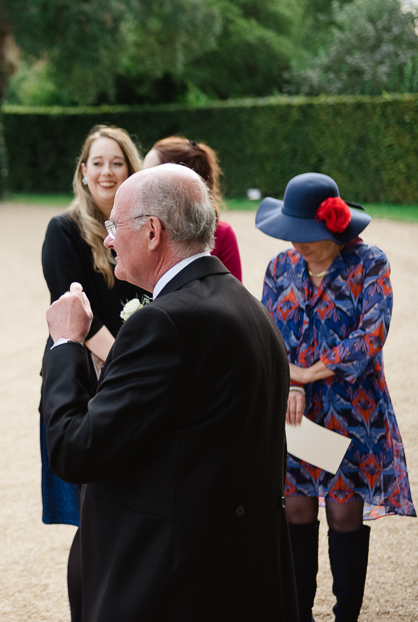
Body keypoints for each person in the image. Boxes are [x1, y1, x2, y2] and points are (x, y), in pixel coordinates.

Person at [42, 163, 298, 622]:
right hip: (241, 577)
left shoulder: (162, 323)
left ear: (153, 231)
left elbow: (76, 450)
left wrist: (65, 343)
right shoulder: (250, 310)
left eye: (114, 225)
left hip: (170, 586)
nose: (108, 239)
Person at [257, 173, 415, 622]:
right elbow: (268, 336)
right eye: (293, 233)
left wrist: (309, 374)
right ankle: (298, 613)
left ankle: (347, 614)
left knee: (345, 518)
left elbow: (372, 334)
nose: (299, 244)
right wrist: (292, 382)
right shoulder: (279, 268)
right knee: (297, 512)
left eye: (308, 235)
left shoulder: (370, 263)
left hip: (352, 413)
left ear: (335, 228)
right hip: (295, 415)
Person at [39, 125, 148, 528]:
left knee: (133, 509)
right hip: (86, 377)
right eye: (98, 163)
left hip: (133, 375)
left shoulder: (142, 227)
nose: (107, 171)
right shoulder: (63, 231)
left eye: (117, 163)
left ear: (130, 170)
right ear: (83, 171)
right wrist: (129, 364)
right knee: (93, 517)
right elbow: (77, 314)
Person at [143, 136, 242, 281]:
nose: (138, 180)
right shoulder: (141, 228)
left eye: (147, 174)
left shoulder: (221, 234)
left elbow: (233, 296)